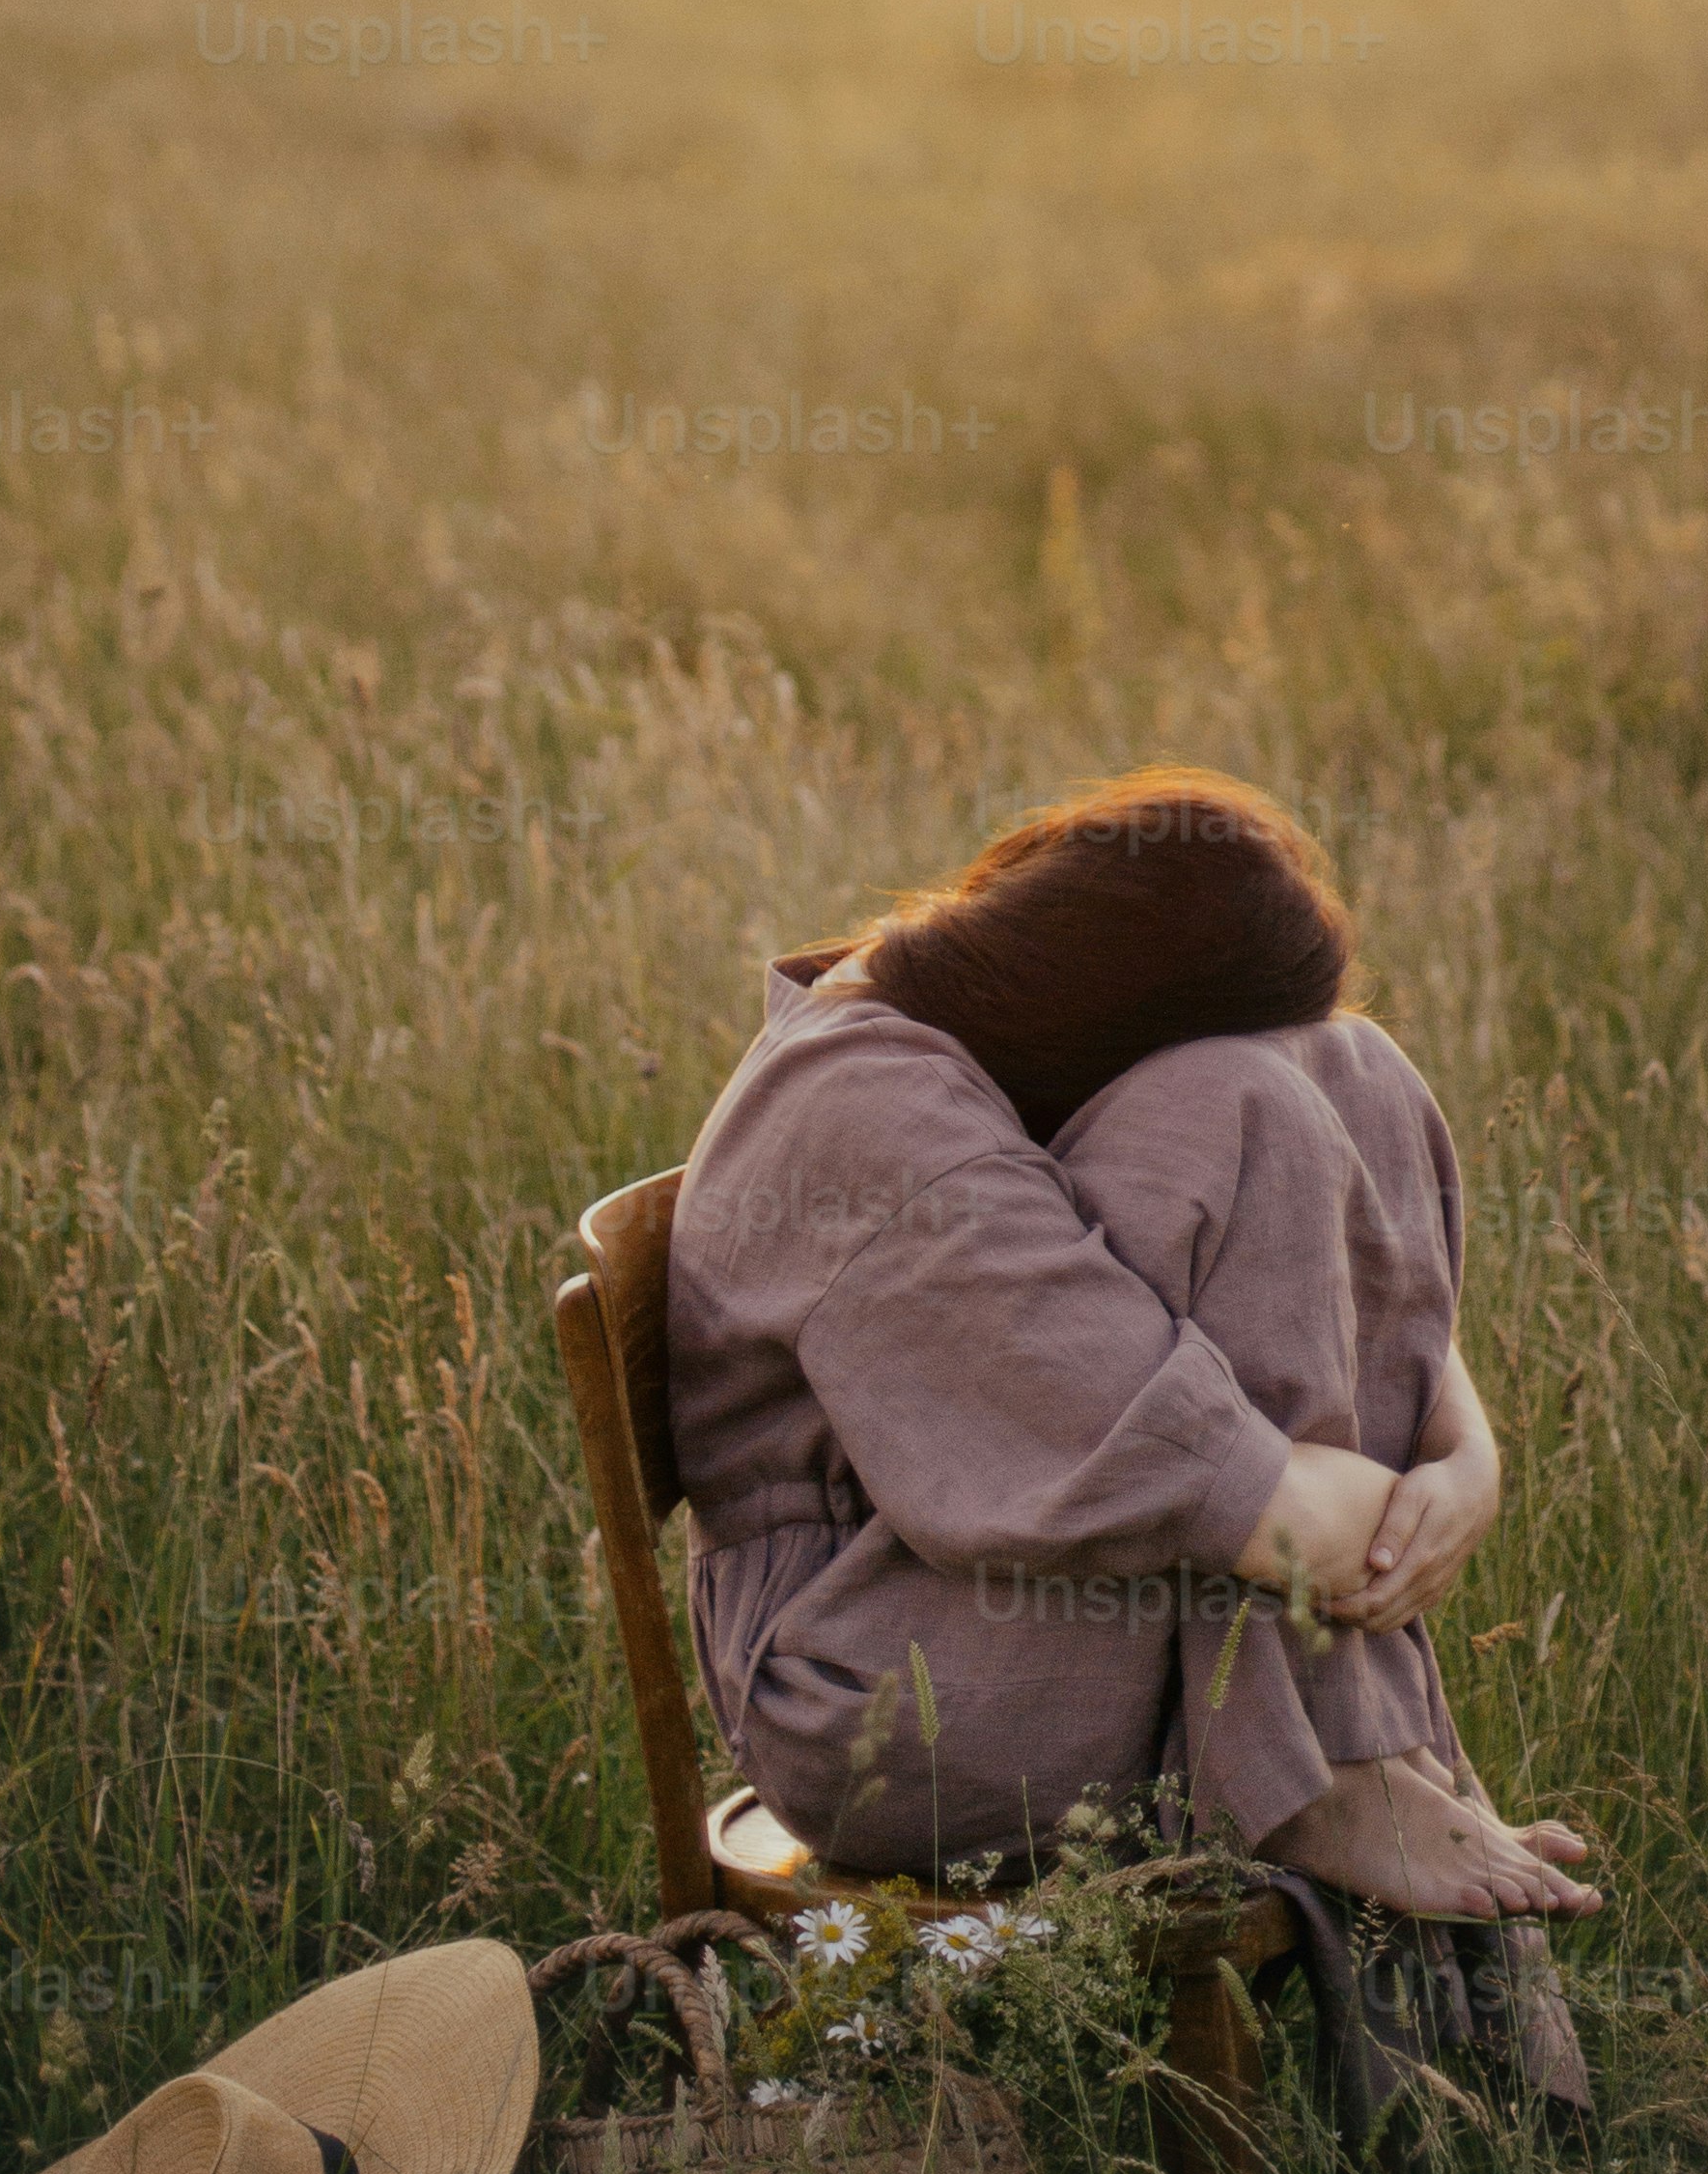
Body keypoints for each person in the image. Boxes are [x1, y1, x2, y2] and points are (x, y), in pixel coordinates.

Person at [667, 768, 1600, 1931]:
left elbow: (1373, 1331)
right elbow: (1216, 1490)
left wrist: (1467, 1458)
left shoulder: (973, 1014)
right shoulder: (879, 1129)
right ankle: (1327, 1776)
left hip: (1018, 1590)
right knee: (1247, 1098)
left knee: (1341, 1062)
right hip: (873, 1686)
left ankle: (1343, 1761)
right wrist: (1413, 1516)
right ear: (1112, 1015)